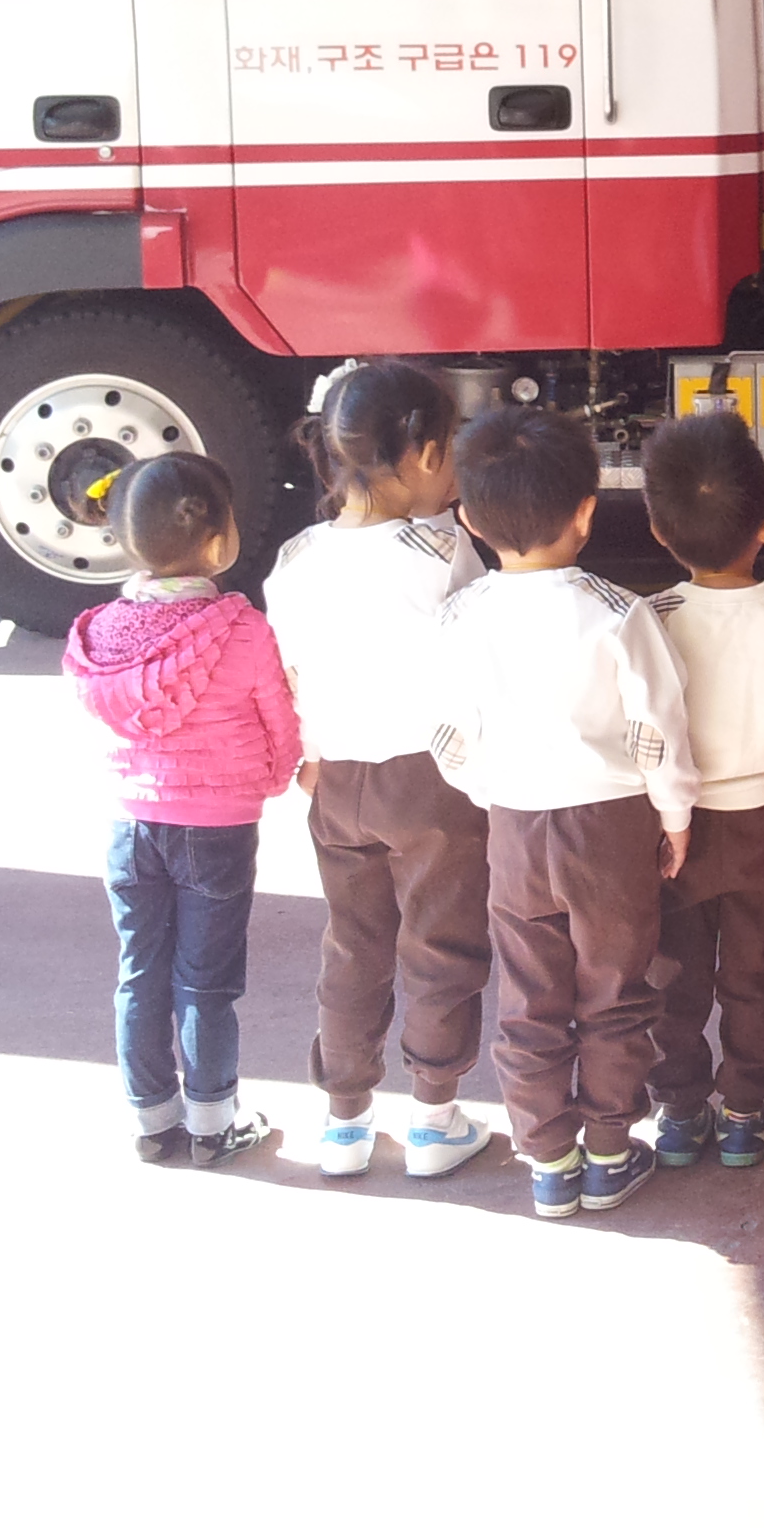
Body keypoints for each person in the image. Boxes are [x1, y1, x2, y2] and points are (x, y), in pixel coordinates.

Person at [427, 408, 695, 1220]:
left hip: (514, 823)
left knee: (530, 996)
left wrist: (490, 792)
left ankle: (548, 1160)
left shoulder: (460, 614)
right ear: (586, 511)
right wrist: (674, 816)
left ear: (471, 521)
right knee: (615, 990)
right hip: (609, 826)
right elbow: (656, 731)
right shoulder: (619, 612)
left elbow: (447, 735)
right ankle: (610, 1151)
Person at [266, 362, 496, 1181]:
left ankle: (345, 1120)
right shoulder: (441, 549)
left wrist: (309, 750)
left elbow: (291, 673)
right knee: (440, 944)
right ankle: (433, 1118)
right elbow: (481, 654)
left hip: (335, 782)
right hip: (430, 781)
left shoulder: (294, 558)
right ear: (425, 453)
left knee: (353, 945)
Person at [62, 454, 303, 1166]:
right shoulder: (242, 629)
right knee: (205, 981)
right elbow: (279, 721)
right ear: (220, 540)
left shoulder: (100, 633)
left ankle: (151, 1118)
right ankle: (212, 1121)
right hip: (218, 829)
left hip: (130, 825)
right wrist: (271, 779)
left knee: (140, 973)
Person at [640, 412, 764, 1173]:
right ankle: (744, 1109)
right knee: (756, 965)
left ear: (660, 531)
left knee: (672, 968)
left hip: (672, 822)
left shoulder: (651, 620)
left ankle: (680, 1110)